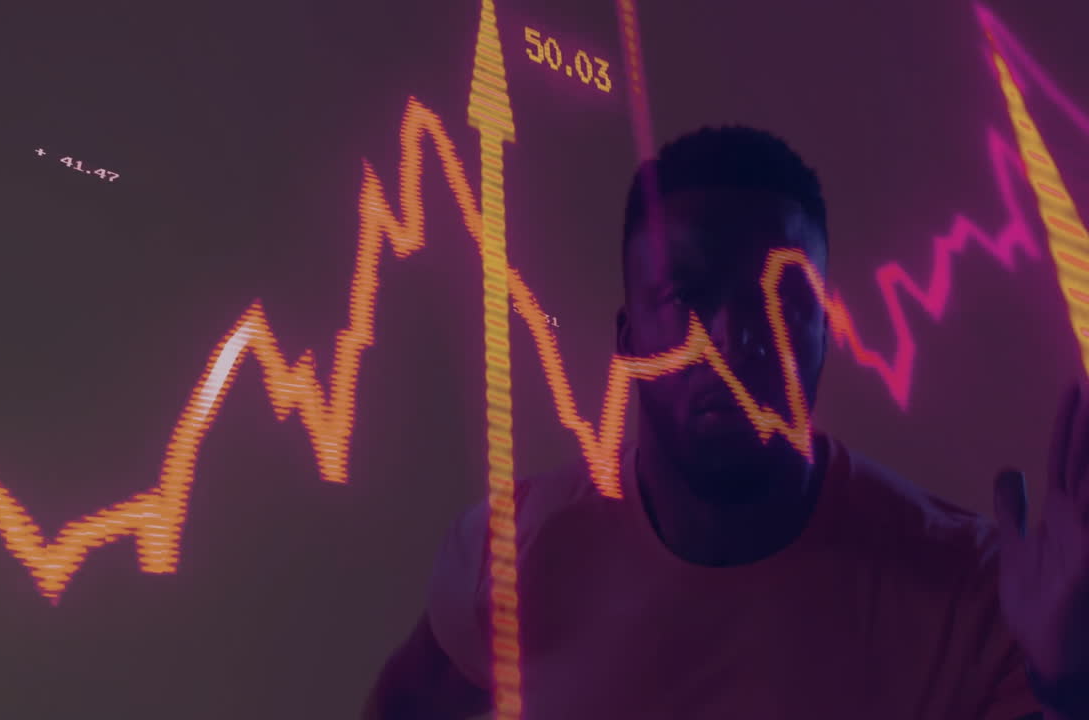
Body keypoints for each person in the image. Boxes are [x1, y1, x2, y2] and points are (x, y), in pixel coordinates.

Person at [362, 126, 1089, 719]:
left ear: (825, 331)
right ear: (627, 337)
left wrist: (1070, 686)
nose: (737, 336)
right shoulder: (512, 553)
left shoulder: (972, 594)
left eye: (783, 295)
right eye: (688, 295)